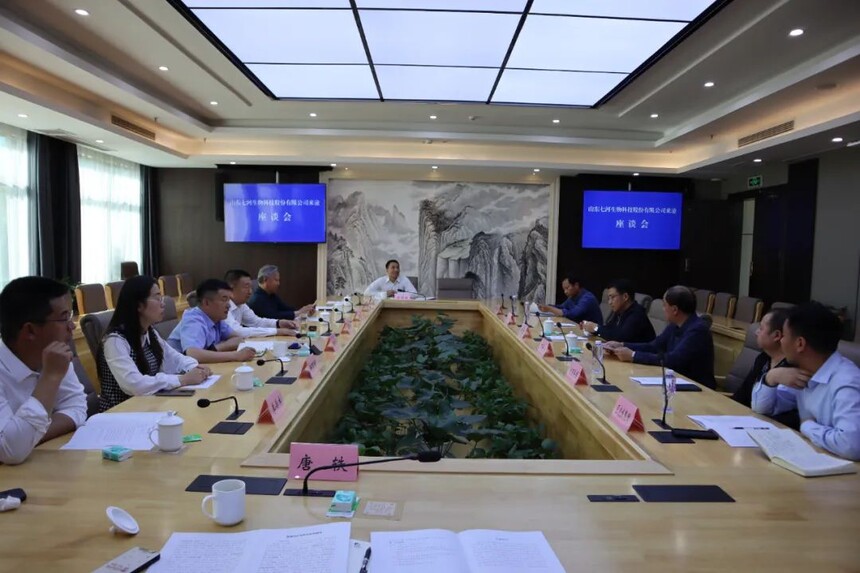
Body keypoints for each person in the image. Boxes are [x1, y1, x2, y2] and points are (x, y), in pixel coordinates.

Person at [752, 302, 860, 460]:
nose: (781, 341)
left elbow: (850, 445)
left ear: (800, 344)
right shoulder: (804, 371)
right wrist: (771, 377)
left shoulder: (847, 381)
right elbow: (762, 409)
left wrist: (807, 426)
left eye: (784, 336)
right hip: (818, 457)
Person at [0, 277, 87, 465]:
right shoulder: (54, 361)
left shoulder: (52, 353)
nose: (72, 326)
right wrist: (50, 377)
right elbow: (11, 451)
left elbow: (77, 406)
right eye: (64, 318)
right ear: (30, 331)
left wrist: (30, 437)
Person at [97, 276, 211, 412]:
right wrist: (183, 379)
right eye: (157, 298)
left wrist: (196, 368)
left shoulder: (150, 332)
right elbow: (134, 385)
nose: (163, 304)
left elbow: (176, 358)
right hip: (120, 413)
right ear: (139, 305)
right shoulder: (115, 340)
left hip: (148, 406)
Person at [605, 285, 715, 388]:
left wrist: (633, 355)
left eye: (664, 305)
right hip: (675, 381)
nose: (663, 309)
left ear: (675, 310)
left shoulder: (697, 330)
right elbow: (654, 346)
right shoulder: (675, 325)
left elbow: (673, 360)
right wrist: (622, 345)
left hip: (697, 388)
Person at [730, 309, 799, 428]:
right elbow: (742, 395)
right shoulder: (763, 358)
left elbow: (786, 416)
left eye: (761, 328)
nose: (756, 332)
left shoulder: (792, 369)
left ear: (777, 335)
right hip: (743, 421)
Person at [167, 279, 255, 364]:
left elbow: (237, 339)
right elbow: (193, 354)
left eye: (229, 300)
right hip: (176, 371)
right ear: (206, 303)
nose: (229, 305)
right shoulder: (193, 320)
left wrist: (215, 348)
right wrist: (235, 355)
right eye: (224, 299)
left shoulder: (216, 318)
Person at [224, 269, 298, 338]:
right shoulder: (223, 305)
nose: (250, 292)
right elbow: (237, 331)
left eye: (251, 287)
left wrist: (278, 323)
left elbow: (256, 322)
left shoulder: (241, 305)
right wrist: (276, 331)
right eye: (246, 287)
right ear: (231, 287)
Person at [580, 279, 654, 343]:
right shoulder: (621, 311)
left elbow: (620, 338)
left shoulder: (637, 314)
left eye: (612, 297)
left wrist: (596, 328)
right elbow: (609, 329)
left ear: (625, 297)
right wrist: (591, 328)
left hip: (642, 354)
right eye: (609, 298)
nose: (609, 302)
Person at [248, 265, 315, 321]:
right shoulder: (257, 299)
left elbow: (285, 308)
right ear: (265, 279)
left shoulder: (271, 294)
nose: (278, 283)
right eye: (276, 280)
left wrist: (303, 311)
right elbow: (273, 317)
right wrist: (298, 312)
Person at [538, 272, 603, 325]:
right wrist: (547, 306)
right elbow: (561, 307)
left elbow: (573, 314)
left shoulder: (587, 298)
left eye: (567, 288)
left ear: (576, 285)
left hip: (593, 333)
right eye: (564, 289)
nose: (565, 292)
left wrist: (550, 309)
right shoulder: (572, 297)